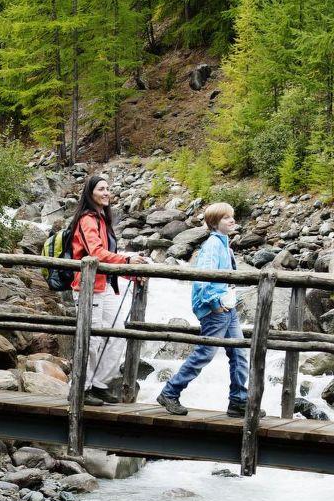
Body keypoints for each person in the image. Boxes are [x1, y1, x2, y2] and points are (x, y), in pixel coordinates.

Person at [156, 202, 248, 417]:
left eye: (232, 216)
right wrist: (214, 304)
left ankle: (238, 401)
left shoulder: (224, 244)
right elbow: (202, 278)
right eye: (226, 218)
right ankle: (170, 392)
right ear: (215, 223)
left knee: (239, 353)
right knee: (204, 354)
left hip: (227, 307)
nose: (232, 220)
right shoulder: (213, 245)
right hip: (217, 309)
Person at [69, 173, 143, 405]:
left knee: (117, 335)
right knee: (92, 340)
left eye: (108, 188)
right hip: (88, 286)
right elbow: (96, 253)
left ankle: (98, 383)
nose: (106, 192)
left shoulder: (102, 219)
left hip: (106, 285)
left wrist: (130, 271)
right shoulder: (87, 219)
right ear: (90, 193)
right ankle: (80, 388)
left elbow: (107, 256)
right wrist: (127, 261)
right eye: (101, 189)